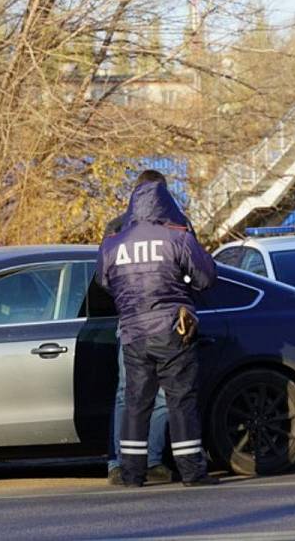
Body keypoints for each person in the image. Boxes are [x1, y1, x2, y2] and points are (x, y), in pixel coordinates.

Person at [96, 175, 219, 488]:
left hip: (133, 332)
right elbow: (205, 277)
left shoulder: (115, 240)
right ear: (164, 198)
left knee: (136, 403)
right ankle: (192, 472)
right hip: (172, 329)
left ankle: (132, 474)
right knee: (180, 400)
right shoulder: (176, 235)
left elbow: (104, 281)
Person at [103, 170, 182, 486]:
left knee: (126, 394)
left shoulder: (116, 229)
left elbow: (105, 278)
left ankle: (120, 464)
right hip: (167, 322)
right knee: (160, 394)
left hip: (130, 324)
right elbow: (195, 272)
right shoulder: (175, 227)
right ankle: (150, 462)